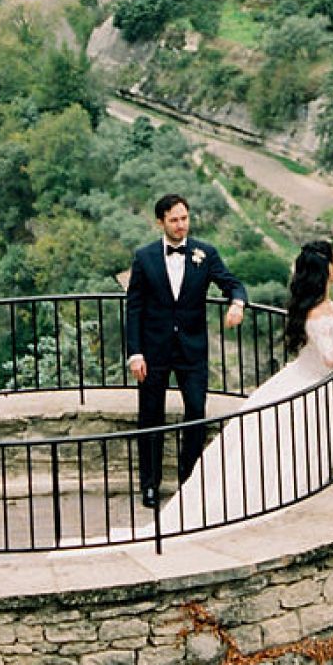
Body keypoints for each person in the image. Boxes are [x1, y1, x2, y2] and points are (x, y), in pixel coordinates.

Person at [159, 238, 333, 530]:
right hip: (307, 381)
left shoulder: (325, 306)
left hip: (309, 379)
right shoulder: (315, 312)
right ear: (329, 270)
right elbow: (329, 357)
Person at [124, 191, 248, 507]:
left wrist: (237, 303)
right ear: (161, 222)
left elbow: (232, 283)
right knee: (150, 416)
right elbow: (134, 307)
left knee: (195, 412)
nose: (181, 225)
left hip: (192, 351)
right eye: (174, 220)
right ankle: (149, 485)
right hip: (153, 351)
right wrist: (135, 353)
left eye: (184, 218)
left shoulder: (206, 253)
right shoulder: (144, 257)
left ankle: (188, 480)